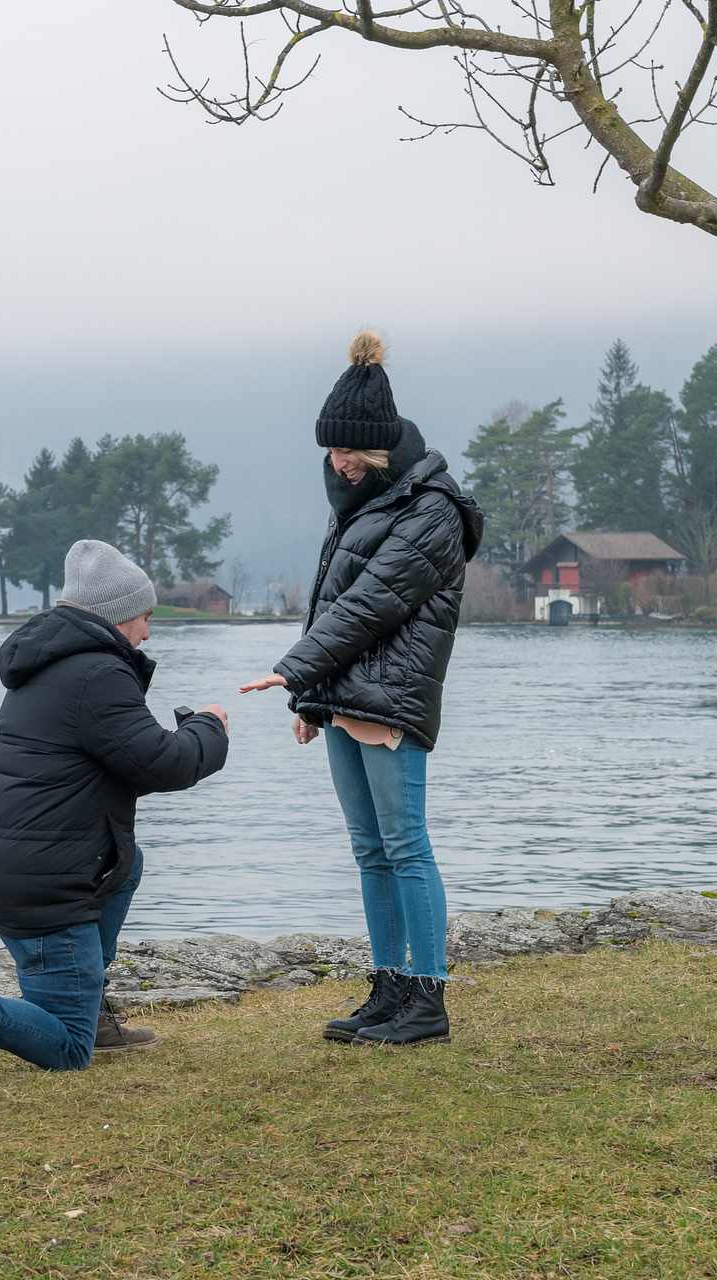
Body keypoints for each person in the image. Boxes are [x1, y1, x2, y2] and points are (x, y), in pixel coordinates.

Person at [0, 539, 230, 1086]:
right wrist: (209, 725)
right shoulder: (97, 675)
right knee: (69, 1049)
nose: (148, 632)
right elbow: (163, 764)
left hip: (1, 858)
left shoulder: (55, 663)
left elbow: (122, 756)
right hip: (41, 879)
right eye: (144, 618)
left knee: (127, 863)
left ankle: (88, 1007)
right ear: (118, 618)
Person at [239, 329, 483, 1047]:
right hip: (344, 701)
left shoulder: (431, 511)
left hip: (393, 702)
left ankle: (429, 1000)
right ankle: (387, 987)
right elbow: (331, 602)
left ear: (378, 447)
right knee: (369, 850)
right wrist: (311, 700)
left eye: (346, 450)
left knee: (406, 846)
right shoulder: (362, 501)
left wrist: (293, 669)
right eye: (331, 450)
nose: (335, 461)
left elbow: (371, 603)